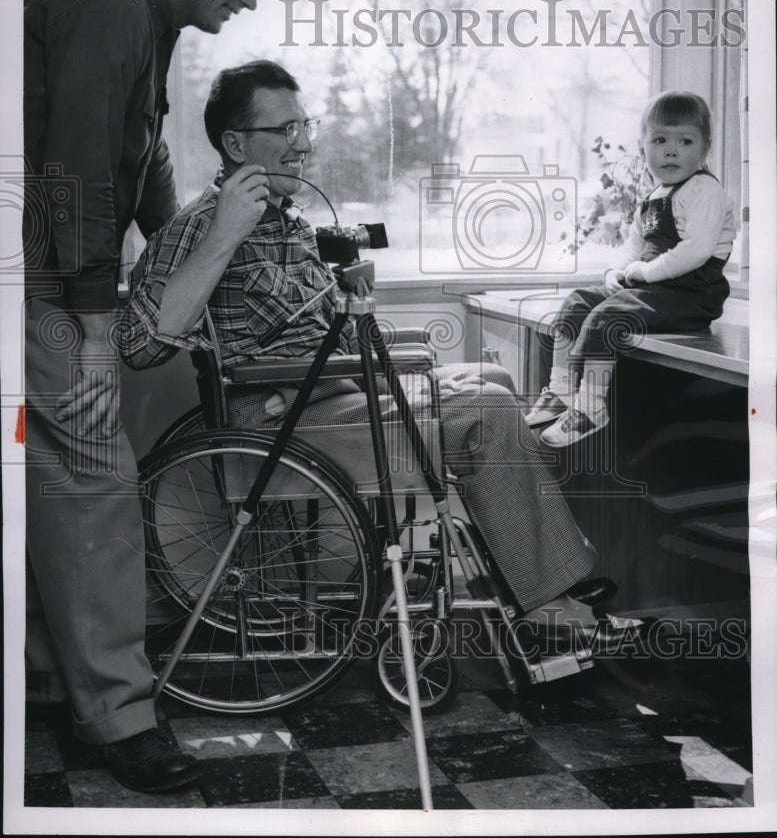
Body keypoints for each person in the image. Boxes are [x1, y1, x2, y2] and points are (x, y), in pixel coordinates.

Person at [117, 59, 633, 659]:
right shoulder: (203, 223)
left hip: (329, 396)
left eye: (303, 125)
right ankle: (549, 600)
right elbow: (139, 345)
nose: (304, 143)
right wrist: (224, 235)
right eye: (284, 130)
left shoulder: (285, 220)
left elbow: (309, 325)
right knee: (489, 408)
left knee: (492, 379)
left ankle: (525, 576)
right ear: (234, 144)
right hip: (282, 422)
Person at [23, 0, 283, 793]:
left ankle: (57, 678)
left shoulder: (144, 21)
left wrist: (183, 244)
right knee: (95, 473)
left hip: (56, 273)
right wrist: (95, 336)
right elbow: (75, 177)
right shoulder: (108, 6)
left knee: (62, 480)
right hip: (42, 275)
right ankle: (120, 716)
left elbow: (142, 163)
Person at [526, 90, 738, 447]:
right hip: (654, 291)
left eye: (685, 141)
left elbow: (696, 252)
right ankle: (561, 389)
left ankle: (592, 407)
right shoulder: (654, 196)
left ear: (705, 149)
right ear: (643, 150)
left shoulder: (704, 190)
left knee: (608, 317)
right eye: (660, 140)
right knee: (578, 302)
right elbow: (633, 246)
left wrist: (641, 273)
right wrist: (615, 273)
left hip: (690, 297)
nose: (671, 150)